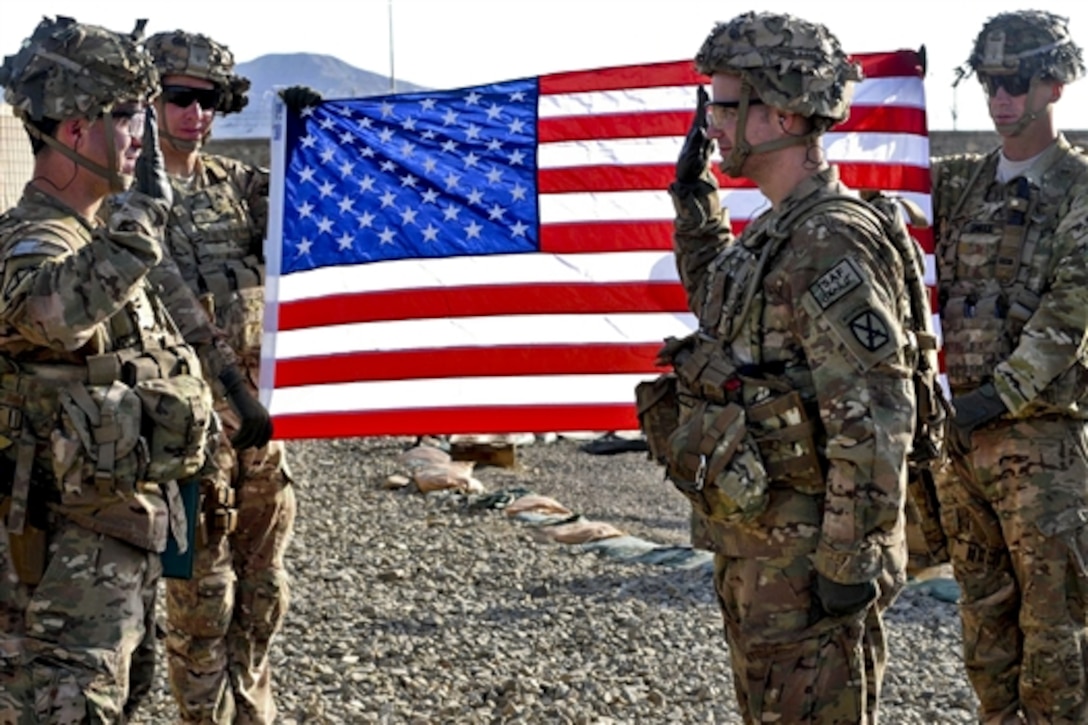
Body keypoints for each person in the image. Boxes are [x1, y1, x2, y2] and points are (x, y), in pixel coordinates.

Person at [662, 11, 924, 722]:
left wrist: (849, 560)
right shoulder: (778, 230)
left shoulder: (829, 240)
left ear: (778, 112)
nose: (709, 122)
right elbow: (722, 301)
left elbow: (874, 409)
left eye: (721, 102)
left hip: (809, 564)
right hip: (766, 550)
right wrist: (695, 203)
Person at [0, 16, 215, 722]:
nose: (140, 135)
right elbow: (50, 313)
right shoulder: (33, 239)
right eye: (125, 115)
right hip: (53, 590)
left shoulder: (101, 236)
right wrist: (139, 229)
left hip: (115, 569)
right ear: (72, 127)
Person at [934, 10, 1088, 724]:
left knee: (1056, 646)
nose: (1000, 97)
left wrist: (998, 394)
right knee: (985, 636)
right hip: (962, 448)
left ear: (1054, 84)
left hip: (1040, 448)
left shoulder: (1078, 189)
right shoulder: (958, 186)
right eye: (989, 81)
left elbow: (1070, 310)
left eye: (1016, 81)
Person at [142, 29, 292, 724]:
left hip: (260, 429)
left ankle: (253, 711)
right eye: (179, 98)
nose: (194, 115)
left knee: (264, 592)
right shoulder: (129, 202)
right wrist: (228, 387)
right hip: (185, 437)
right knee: (201, 605)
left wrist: (308, 137)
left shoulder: (239, 186)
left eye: (209, 101)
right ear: (151, 100)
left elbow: (304, 214)